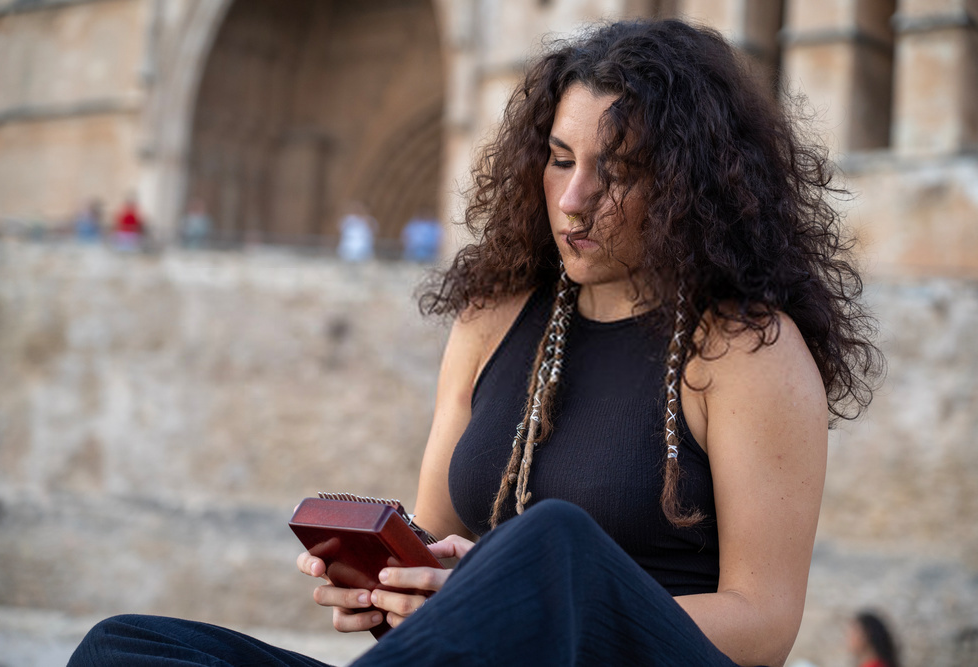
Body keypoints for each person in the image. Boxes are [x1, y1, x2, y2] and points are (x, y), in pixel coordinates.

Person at [68, 18, 881, 667]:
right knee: (123, 647)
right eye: (560, 160)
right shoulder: (495, 315)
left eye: (619, 172)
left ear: (693, 186)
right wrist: (395, 589)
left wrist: (526, 600)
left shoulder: (744, 351)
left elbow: (764, 624)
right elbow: (435, 538)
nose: (573, 199)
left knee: (552, 545)